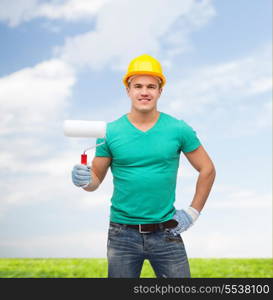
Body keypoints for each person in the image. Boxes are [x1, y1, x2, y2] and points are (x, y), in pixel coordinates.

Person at [71, 54, 216, 278]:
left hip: (167, 231)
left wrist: (192, 213)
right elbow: (95, 180)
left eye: (151, 86)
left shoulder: (178, 129)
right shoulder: (110, 132)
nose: (144, 92)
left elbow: (207, 169)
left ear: (160, 91)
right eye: (137, 86)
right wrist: (85, 179)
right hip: (122, 234)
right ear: (128, 90)